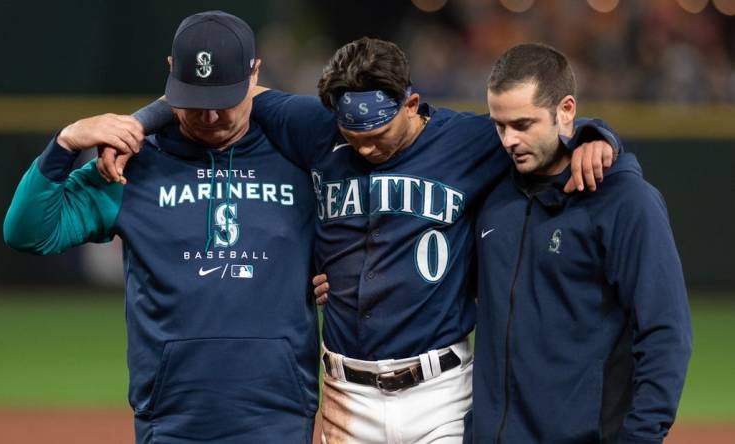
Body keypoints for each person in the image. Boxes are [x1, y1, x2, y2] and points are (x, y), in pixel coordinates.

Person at [108, 38, 620, 443]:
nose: (367, 147)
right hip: (346, 393)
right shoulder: (319, 127)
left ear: (412, 102)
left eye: (379, 133)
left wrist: (598, 137)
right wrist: (138, 122)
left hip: (439, 389)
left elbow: (542, 134)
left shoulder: (469, 141)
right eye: (354, 138)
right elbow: (231, 89)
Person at [3, 11, 319, 444]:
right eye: (194, 100)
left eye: (223, 100)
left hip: (280, 416)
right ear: (171, 72)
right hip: (172, 421)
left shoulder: (299, 156)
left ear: (255, 75)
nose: (209, 118)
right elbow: (29, 231)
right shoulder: (132, 163)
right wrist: (65, 142)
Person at [470, 43, 692, 443]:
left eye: (523, 124)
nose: (508, 141)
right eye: (499, 125)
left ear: (566, 110)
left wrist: (640, 438)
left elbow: (665, 334)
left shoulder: (624, 201)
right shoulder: (491, 192)